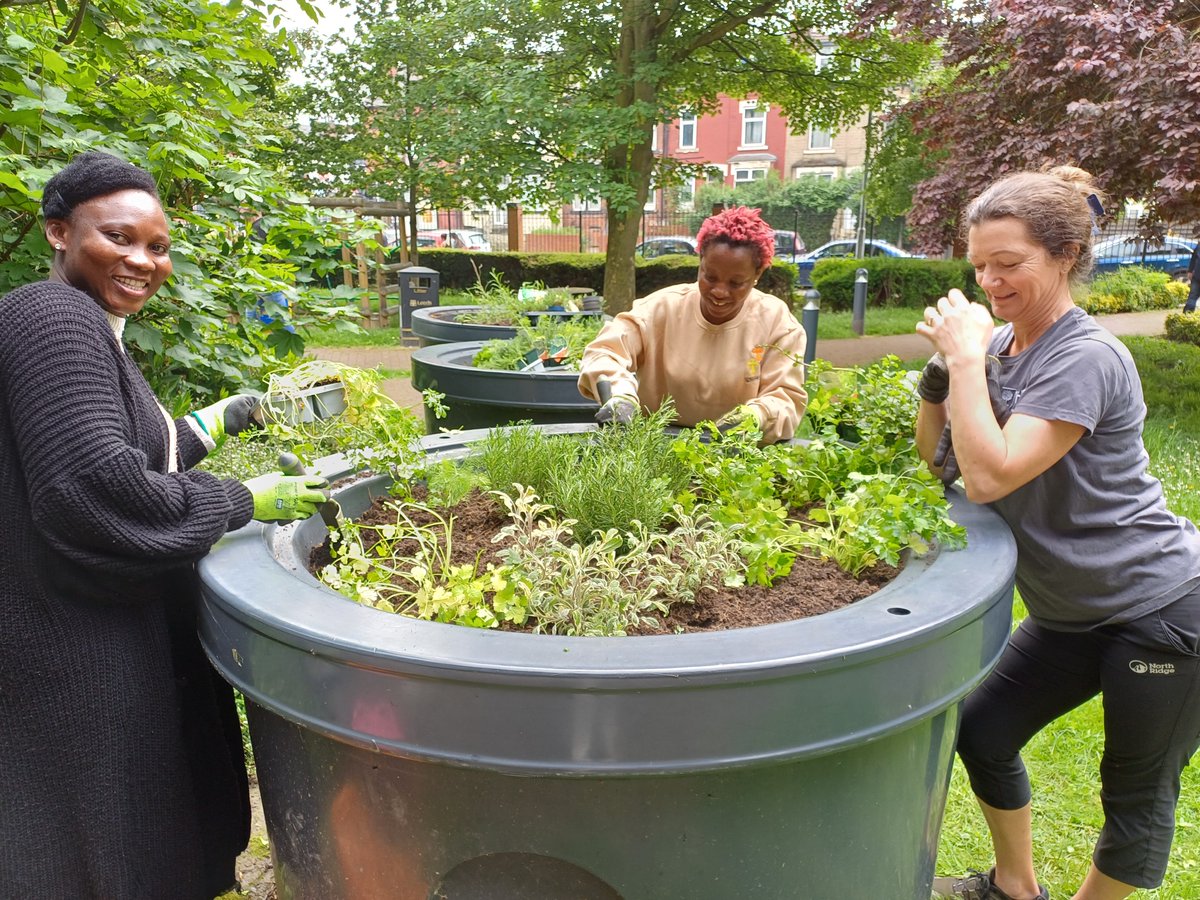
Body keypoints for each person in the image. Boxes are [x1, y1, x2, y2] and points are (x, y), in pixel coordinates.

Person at [0, 151, 329, 897]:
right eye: (119, 238)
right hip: (78, 654)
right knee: (103, 845)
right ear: (58, 231)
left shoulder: (82, 322)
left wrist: (217, 421)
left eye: (158, 246)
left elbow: (131, 450)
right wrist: (243, 499)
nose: (143, 261)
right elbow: (95, 487)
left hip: (90, 635)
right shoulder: (52, 318)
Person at [915, 166, 1200, 900]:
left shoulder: (1087, 356)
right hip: (1072, 613)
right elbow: (941, 465)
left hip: (1161, 609)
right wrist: (944, 379)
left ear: (1066, 253)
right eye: (979, 265)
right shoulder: (1004, 347)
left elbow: (992, 476)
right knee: (981, 730)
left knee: (1134, 791)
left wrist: (969, 361)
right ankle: (1017, 889)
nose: (990, 282)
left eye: (1009, 264)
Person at [577, 206, 807, 443]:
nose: (719, 291)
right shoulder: (662, 308)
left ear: (758, 273)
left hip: (735, 456)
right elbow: (604, 351)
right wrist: (620, 395)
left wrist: (756, 416)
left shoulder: (776, 324)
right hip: (652, 446)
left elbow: (785, 398)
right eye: (710, 277)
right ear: (700, 262)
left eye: (736, 283)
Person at [1185, 240, 1199, 313]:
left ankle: (1187, 315)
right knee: (1192, 297)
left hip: (1197, 275)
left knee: (1192, 296)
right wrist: (1190, 271)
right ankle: (1187, 316)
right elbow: (1194, 258)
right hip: (1197, 275)